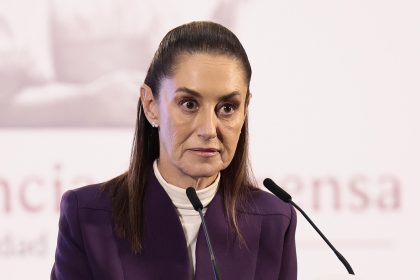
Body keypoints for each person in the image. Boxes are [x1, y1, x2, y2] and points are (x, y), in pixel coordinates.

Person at [51, 21, 297, 280]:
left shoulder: (274, 221)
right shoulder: (87, 216)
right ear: (150, 105)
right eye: (189, 104)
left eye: (227, 107)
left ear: (245, 110)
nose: (208, 130)